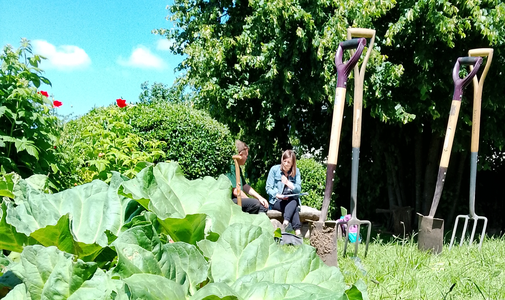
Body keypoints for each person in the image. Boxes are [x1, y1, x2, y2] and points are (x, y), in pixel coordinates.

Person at [226, 140, 269, 214]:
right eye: (246, 155)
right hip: (231, 200)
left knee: (262, 206)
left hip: (238, 199)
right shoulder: (231, 167)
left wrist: (260, 198)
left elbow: (245, 186)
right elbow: (236, 191)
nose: (246, 158)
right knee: (255, 204)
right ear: (240, 154)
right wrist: (249, 200)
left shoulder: (237, 168)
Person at [266, 150, 302, 236]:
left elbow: (298, 189)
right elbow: (268, 188)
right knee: (294, 205)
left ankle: (287, 225)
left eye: (288, 162)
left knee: (293, 201)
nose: (285, 164)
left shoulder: (296, 172)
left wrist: (288, 183)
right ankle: (296, 231)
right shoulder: (274, 170)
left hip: (290, 200)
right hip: (277, 201)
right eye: (284, 161)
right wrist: (278, 195)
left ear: (292, 164)